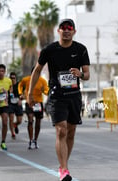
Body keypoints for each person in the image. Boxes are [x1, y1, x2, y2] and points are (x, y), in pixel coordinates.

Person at [27, 18, 90, 181]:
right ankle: (64, 169)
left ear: (74, 32)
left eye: (70, 28)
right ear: (59, 31)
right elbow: (37, 71)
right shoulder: (50, 50)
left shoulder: (81, 49)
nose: (67, 30)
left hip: (74, 95)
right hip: (56, 94)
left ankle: (64, 165)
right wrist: (29, 93)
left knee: (71, 132)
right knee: (61, 129)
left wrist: (80, 74)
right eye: (64, 28)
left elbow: (87, 75)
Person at [18, 67, 48, 149]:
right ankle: (31, 140)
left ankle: (35, 140)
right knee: (30, 120)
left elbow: (46, 90)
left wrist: (45, 91)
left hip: (38, 103)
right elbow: (20, 85)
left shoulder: (42, 80)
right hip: (29, 102)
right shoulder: (26, 79)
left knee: (38, 123)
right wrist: (20, 93)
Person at [8, 72, 23, 139]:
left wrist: (21, 99)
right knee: (11, 118)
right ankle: (12, 133)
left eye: (13, 78)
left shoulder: (19, 85)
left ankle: (15, 124)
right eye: (11, 78)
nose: (12, 79)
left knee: (19, 120)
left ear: (16, 78)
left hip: (18, 103)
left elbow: (23, 94)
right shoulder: (8, 85)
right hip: (10, 104)